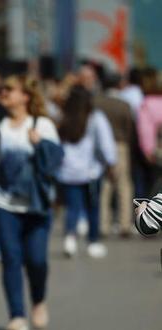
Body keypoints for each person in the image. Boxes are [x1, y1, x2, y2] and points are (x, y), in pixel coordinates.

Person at [0, 75, 63, 330]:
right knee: (11, 258)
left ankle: (39, 300)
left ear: (25, 96)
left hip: (36, 205)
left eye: (10, 89)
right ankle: (17, 314)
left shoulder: (42, 124)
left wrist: (40, 143)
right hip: (4, 204)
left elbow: (56, 162)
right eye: (2, 89)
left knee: (36, 260)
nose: (4, 93)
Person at [56, 85, 116, 258]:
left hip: (67, 172)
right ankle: (93, 241)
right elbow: (105, 144)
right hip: (91, 172)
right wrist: (110, 164)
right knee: (93, 207)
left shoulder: (64, 118)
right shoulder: (96, 118)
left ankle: (70, 238)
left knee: (72, 208)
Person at [79, 65, 136, 237]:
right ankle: (125, 224)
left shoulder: (96, 102)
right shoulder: (124, 104)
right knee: (123, 185)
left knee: (103, 186)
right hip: (120, 145)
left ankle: (102, 224)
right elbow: (130, 127)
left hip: (98, 147)